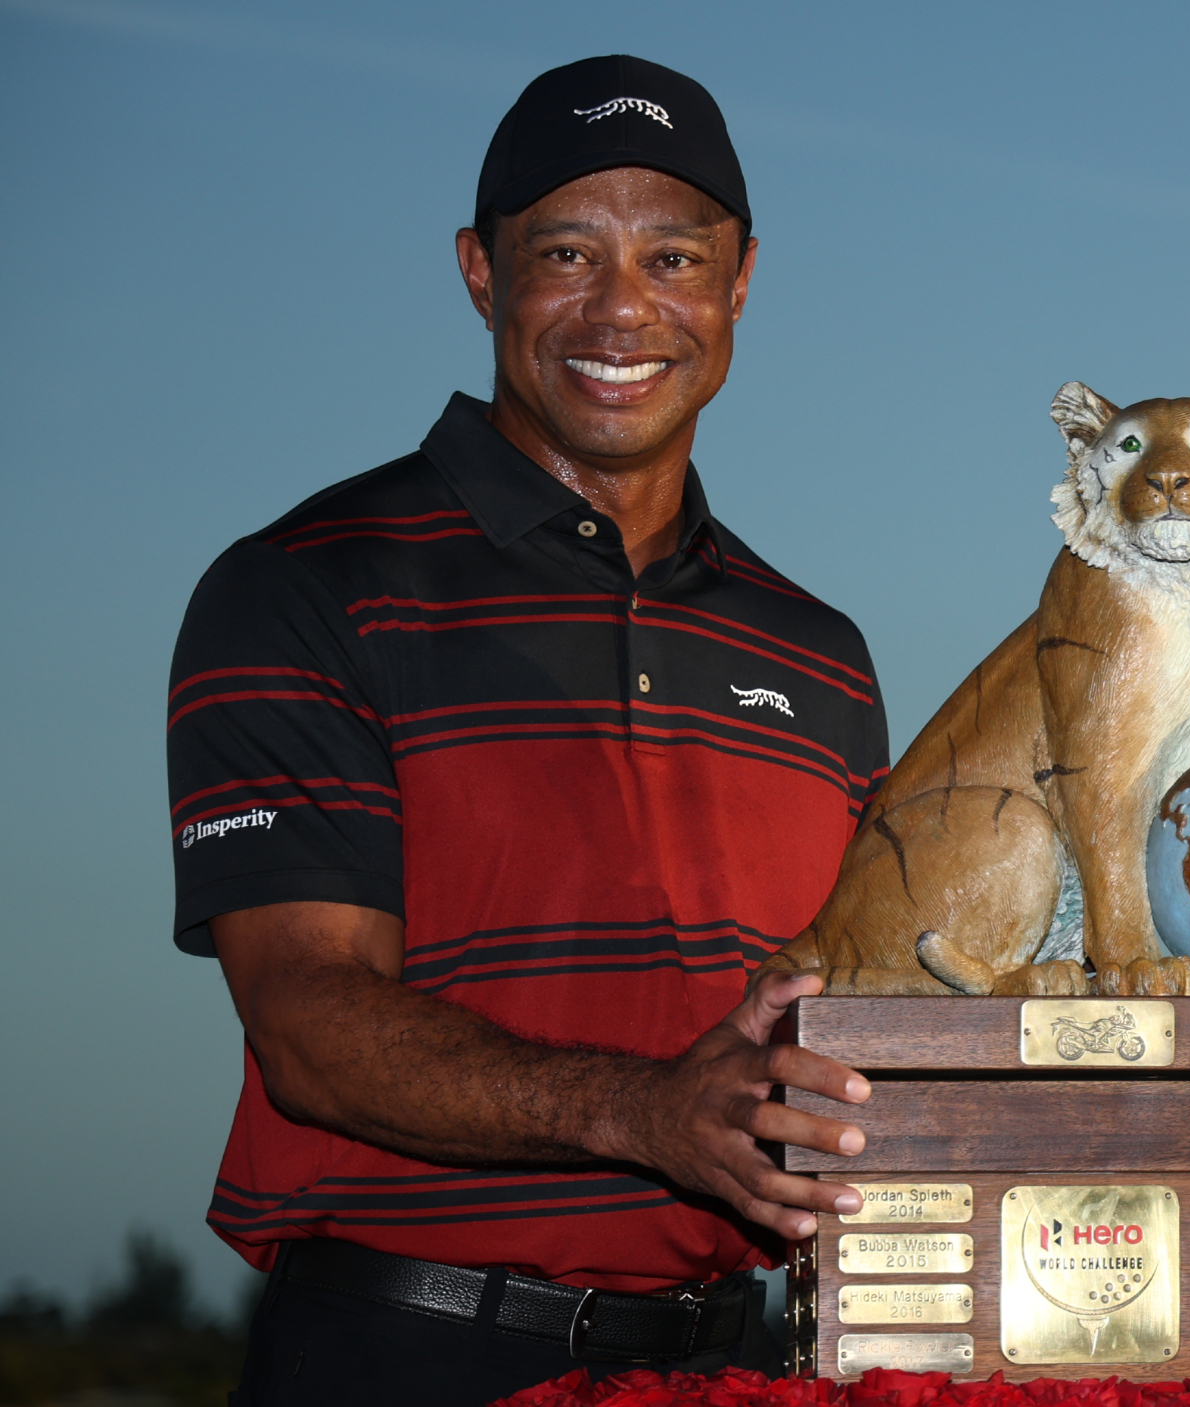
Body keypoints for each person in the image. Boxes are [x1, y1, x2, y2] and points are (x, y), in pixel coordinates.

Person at [165, 56, 883, 1404]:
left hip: (738, 1365)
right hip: (407, 1360)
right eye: (568, 252)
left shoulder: (817, 652)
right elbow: (309, 1024)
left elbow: (889, 1015)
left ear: (739, 284)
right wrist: (645, 1113)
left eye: (675, 256)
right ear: (481, 274)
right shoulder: (306, 585)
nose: (626, 307)